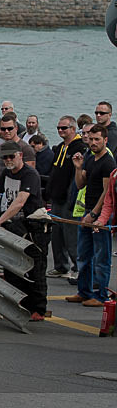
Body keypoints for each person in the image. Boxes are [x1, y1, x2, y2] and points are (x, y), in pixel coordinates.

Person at [0, 141, 50, 322]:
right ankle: (18, 304)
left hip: (34, 226)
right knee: (12, 267)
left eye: (11, 156)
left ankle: (38, 309)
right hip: (14, 224)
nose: (8, 160)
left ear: (20, 156)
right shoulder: (7, 173)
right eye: (5, 157)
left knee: (35, 268)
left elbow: (20, 202)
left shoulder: (30, 175)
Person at [64, 124, 115, 307]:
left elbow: (107, 193)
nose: (93, 143)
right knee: (83, 255)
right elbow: (80, 185)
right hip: (87, 212)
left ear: (105, 140)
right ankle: (84, 291)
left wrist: (94, 214)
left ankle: (101, 295)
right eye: (91, 139)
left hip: (100, 214)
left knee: (102, 257)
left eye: (97, 140)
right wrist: (78, 168)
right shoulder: (90, 159)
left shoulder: (108, 162)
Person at [46, 116, 86, 279]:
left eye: (64, 128)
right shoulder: (61, 147)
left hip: (70, 199)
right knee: (56, 234)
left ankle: (77, 267)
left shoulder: (80, 147)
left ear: (73, 129)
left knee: (71, 235)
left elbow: (78, 176)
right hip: (56, 197)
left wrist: (72, 198)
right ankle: (60, 266)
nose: (61, 131)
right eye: (59, 128)